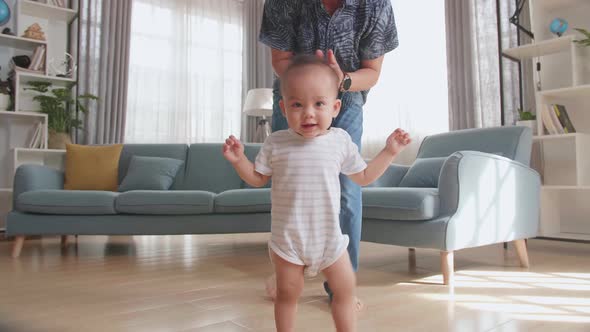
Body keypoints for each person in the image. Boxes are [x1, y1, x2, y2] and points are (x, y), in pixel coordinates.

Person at [222, 56, 410, 332]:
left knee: (345, 291)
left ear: (335, 108)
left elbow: (364, 176)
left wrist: (390, 152)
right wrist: (239, 161)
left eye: (319, 103)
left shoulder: (340, 141)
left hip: (330, 241)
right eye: (297, 104)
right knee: (288, 295)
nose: (308, 112)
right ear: (283, 108)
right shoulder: (276, 142)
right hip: (289, 241)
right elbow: (257, 178)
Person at [259, 0, 399, 305]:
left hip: (346, 96)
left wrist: (339, 81)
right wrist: (311, 83)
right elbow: (280, 58)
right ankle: (288, 271)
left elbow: (371, 72)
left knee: (347, 190)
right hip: (294, 95)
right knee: (289, 185)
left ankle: (342, 289)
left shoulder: (375, 5)